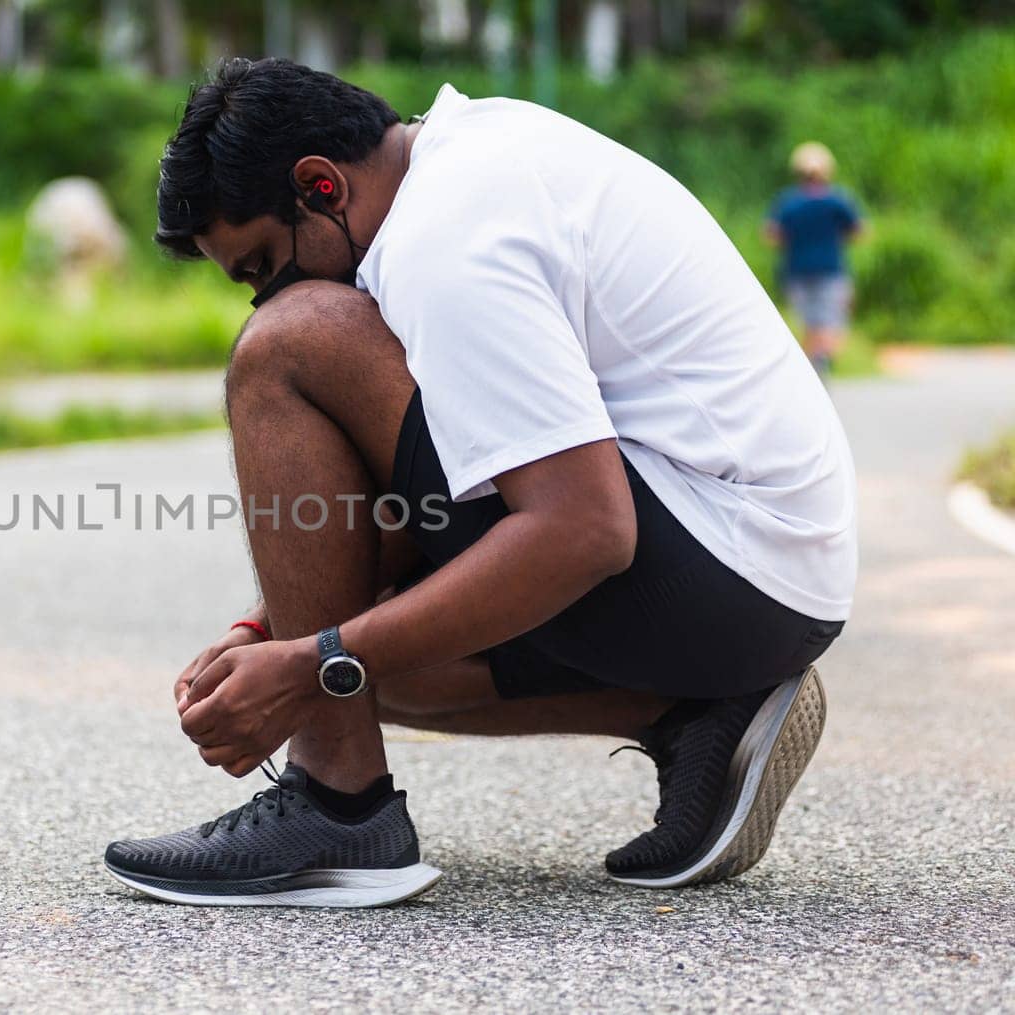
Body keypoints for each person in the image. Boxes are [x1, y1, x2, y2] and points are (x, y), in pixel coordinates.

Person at [103, 59, 856, 908]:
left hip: (729, 570)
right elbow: (451, 486)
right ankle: (693, 712)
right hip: (763, 576)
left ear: (321, 187)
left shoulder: (446, 242)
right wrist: (277, 632)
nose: (263, 294)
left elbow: (583, 529)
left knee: (284, 349)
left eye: (261, 266)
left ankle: (336, 805)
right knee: (376, 660)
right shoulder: (469, 152)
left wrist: (313, 662)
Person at [764, 141, 865, 377]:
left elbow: (772, 235)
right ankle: (823, 357)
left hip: (797, 271)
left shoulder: (789, 202)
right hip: (831, 270)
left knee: (807, 323)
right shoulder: (837, 200)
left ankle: (810, 367)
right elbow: (859, 231)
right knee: (831, 321)